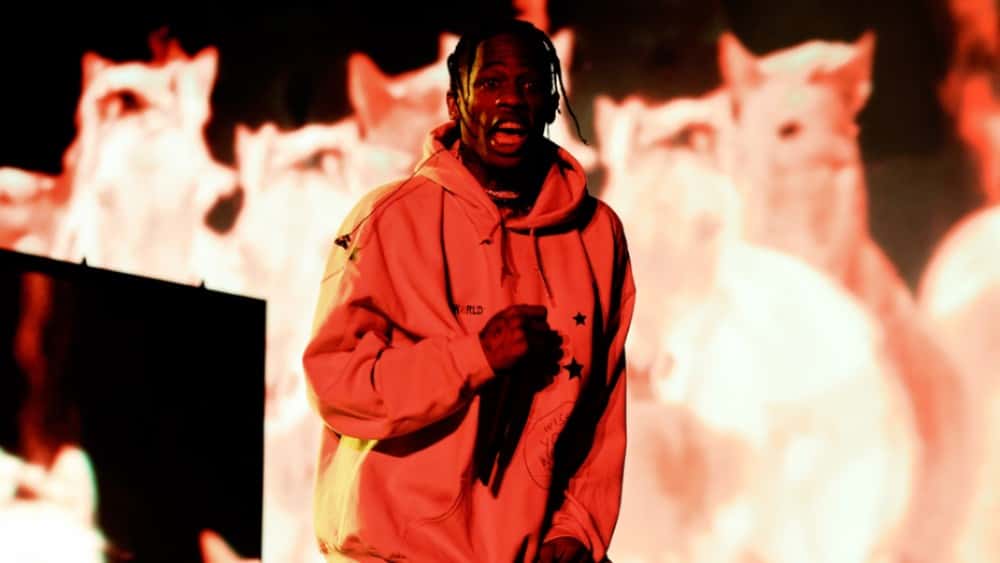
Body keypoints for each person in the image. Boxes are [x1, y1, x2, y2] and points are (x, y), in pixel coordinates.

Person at [303, 18, 635, 563]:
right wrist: (472, 357)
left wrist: (577, 526)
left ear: (552, 104)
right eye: (491, 83)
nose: (512, 99)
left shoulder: (597, 234)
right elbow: (336, 381)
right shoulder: (390, 217)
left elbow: (603, 400)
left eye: (530, 85)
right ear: (455, 103)